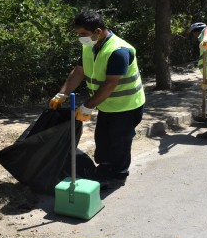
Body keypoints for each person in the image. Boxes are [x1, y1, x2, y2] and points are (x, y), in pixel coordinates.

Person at [49, 11, 145, 188]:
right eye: (78, 34)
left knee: (119, 142)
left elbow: (110, 85)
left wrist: (87, 106)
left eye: (83, 34)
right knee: (103, 139)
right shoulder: (90, 45)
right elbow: (79, 71)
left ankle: (118, 175)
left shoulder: (119, 51)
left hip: (126, 106)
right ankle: (105, 169)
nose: (80, 38)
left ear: (98, 31)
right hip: (107, 104)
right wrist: (62, 93)